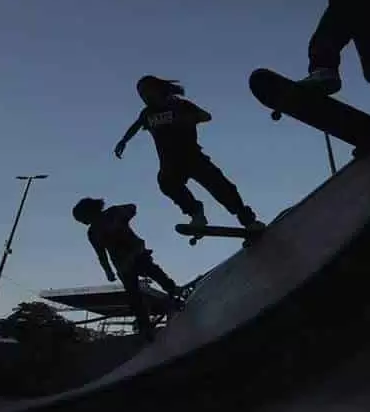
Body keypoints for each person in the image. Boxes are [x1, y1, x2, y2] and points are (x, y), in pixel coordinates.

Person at [114, 75, 264, 232]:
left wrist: (188, 118)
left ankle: (248, 221)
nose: (145, 97)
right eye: (141, 95)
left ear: (158, 89)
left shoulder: (179, 105)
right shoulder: (147, 114)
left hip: (192, 156)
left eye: (146, 92)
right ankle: (196, 213)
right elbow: (136, 126)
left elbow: (206, 116)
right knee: (166, 183)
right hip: (170, 162)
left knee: (220, 186)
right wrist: (124, 141)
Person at [72, 197, 182, 342]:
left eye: (83, 219)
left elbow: (132, 207)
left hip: (137, 253)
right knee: (134, 296)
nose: (84, 223)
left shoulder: (112, 213)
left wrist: (120, 219)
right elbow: (101, 254)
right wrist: (108, 271)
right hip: (122, 264)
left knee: (152, 271)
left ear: (89, 212)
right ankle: (145, 326)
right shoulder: (92, 233)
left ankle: (173, 289)